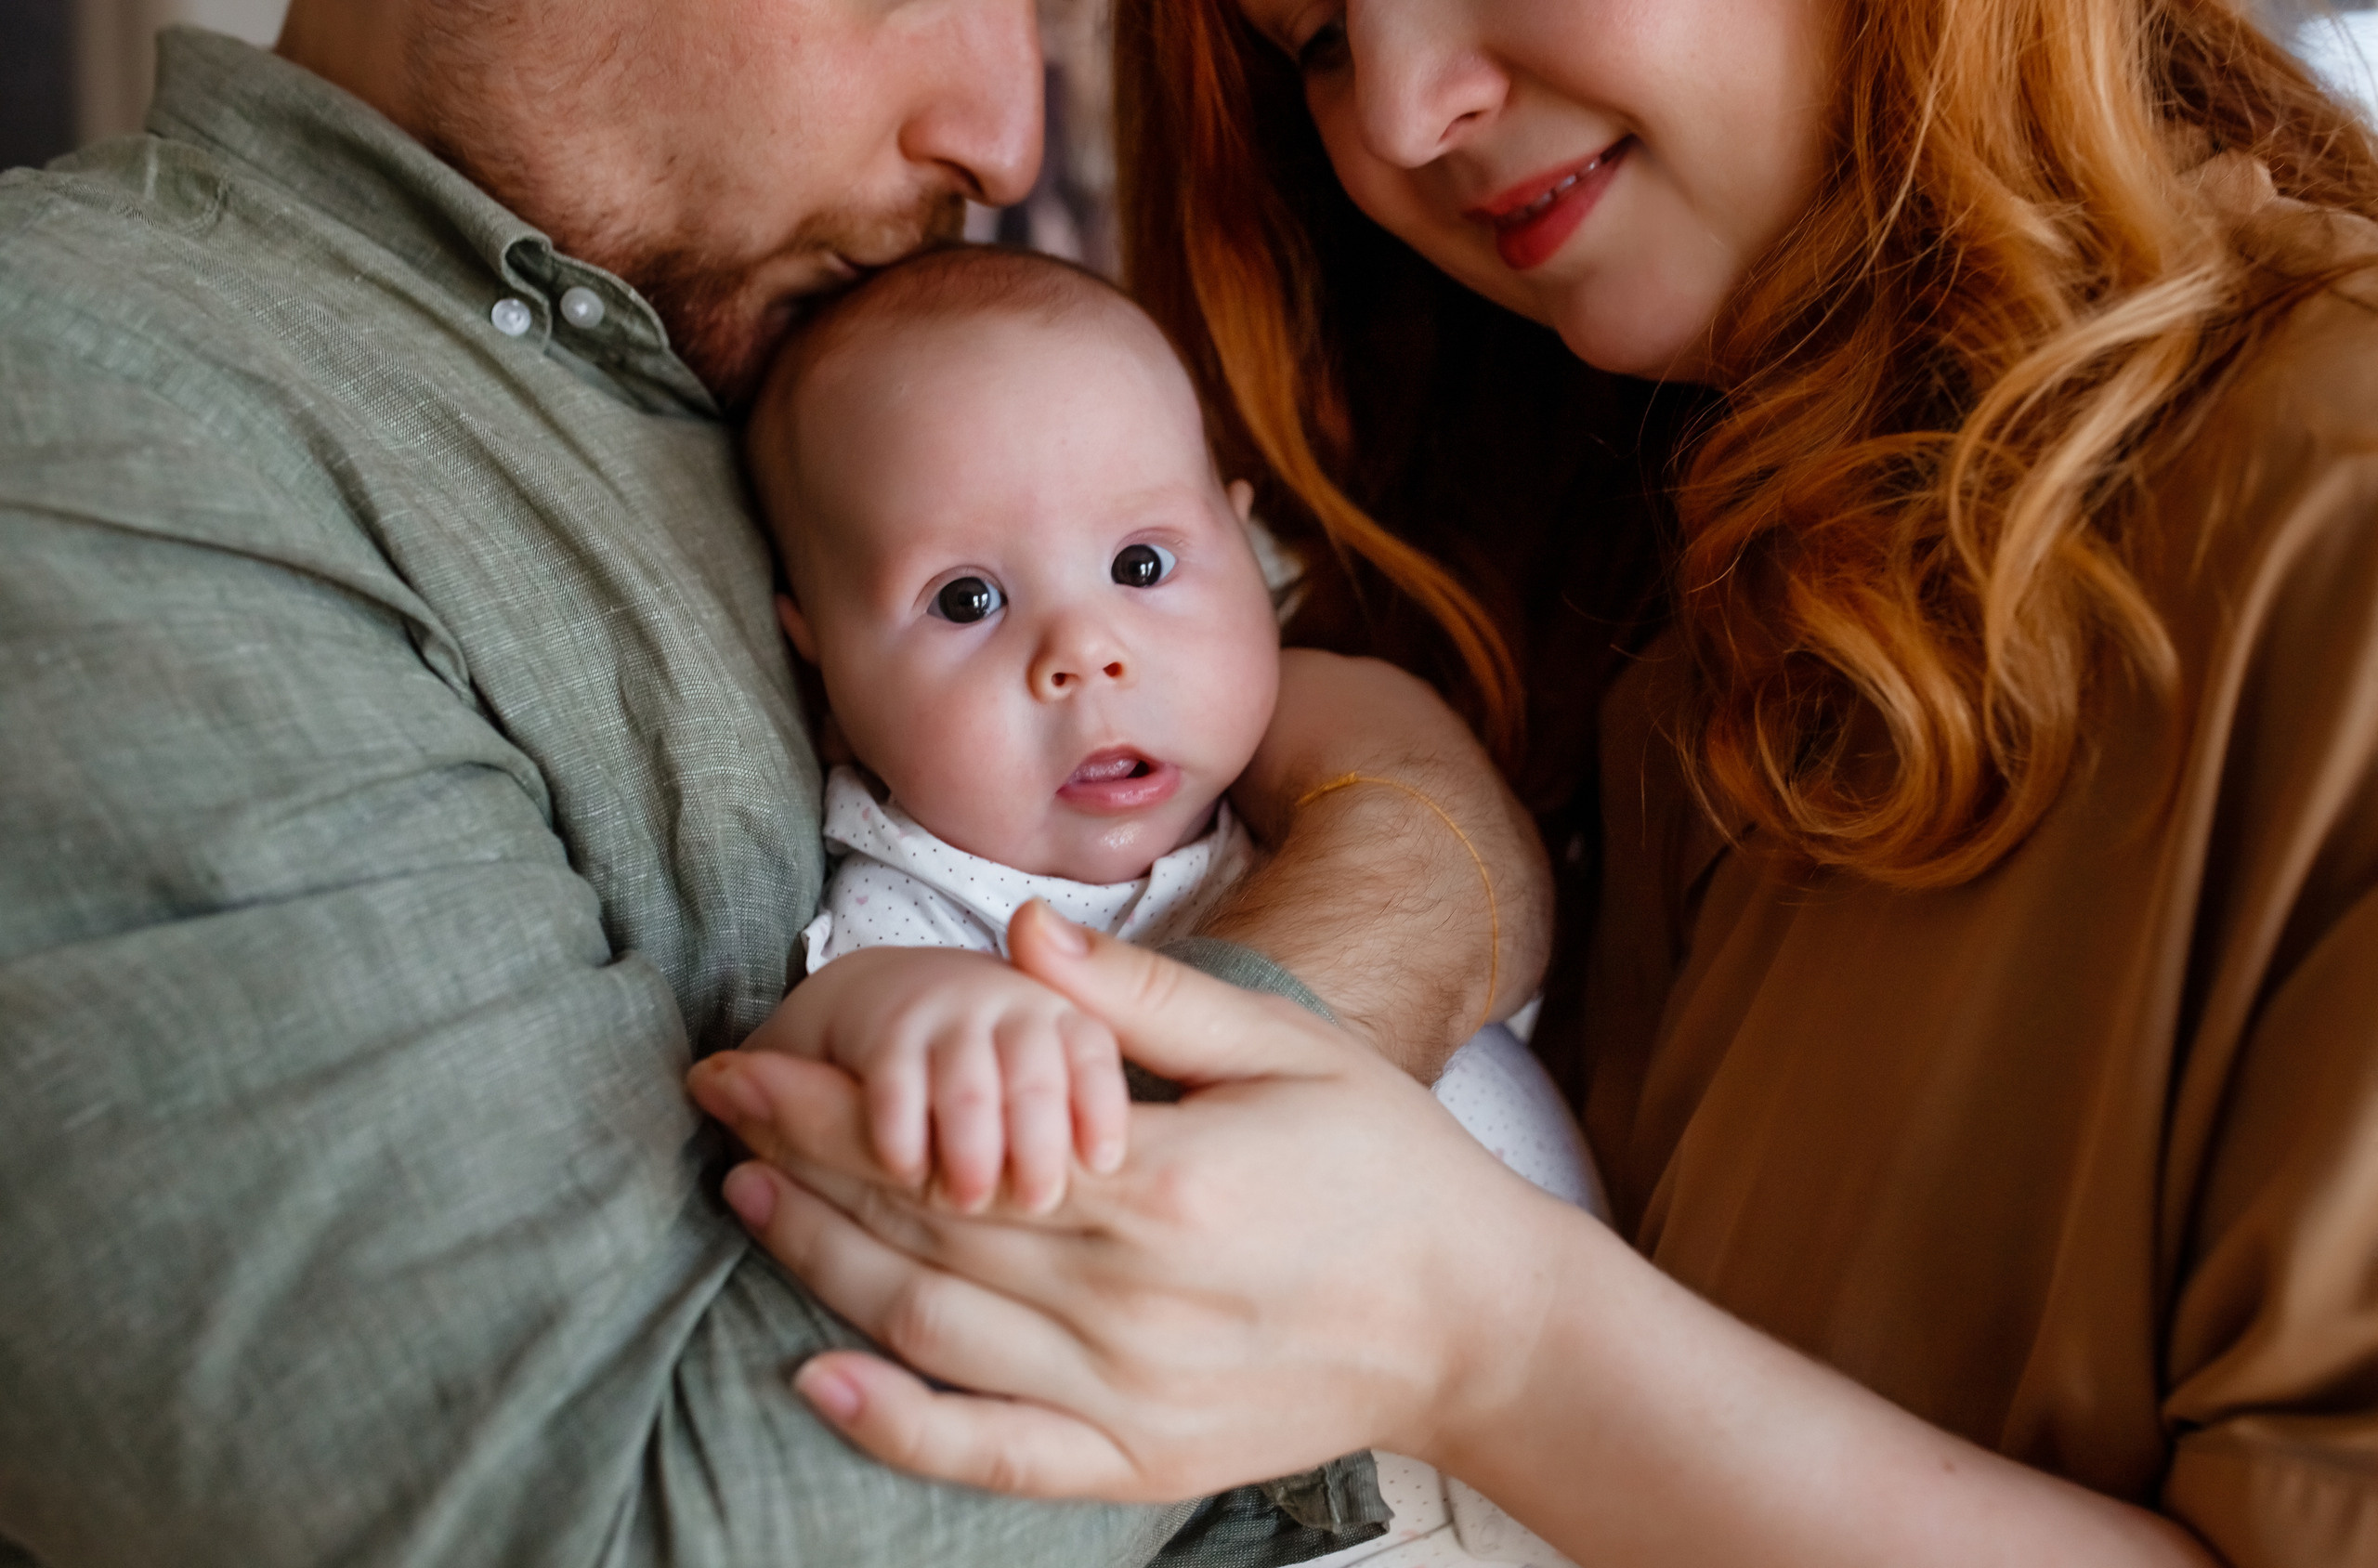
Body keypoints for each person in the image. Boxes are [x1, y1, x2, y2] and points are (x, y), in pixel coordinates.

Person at [687, 0, 2378, 1563]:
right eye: (1323, 38)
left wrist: (1484, 1337)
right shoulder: (1661, 572)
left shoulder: (2327, 523)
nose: (1410, 117)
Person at [0, 1, 1555, 1562]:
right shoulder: (96, 395)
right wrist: (1398, 903)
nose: (1004, 142)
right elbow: (605, 1524)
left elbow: (1269, 669)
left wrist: (1399, 813)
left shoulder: (814, 325)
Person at [738, 244, 1596, 1233]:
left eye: (1140, 564)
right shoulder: (924, 921)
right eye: (966, 598)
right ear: (822, 667)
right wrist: (903, 1022)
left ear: (1245, 553)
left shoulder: (1290, 794)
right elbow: (846, 1051)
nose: (1084, 650)